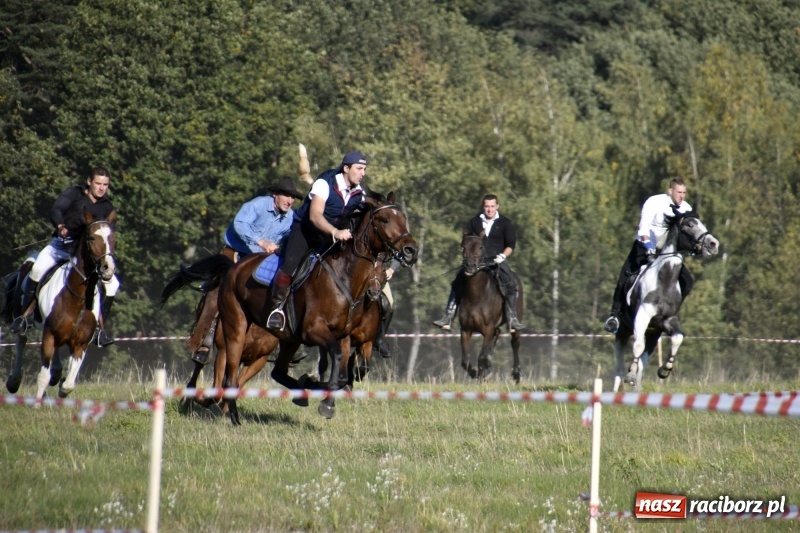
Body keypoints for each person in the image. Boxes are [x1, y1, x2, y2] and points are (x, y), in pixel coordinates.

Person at [189, 176, 303, 364]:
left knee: (280, 289)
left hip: (259, 260)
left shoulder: (290, 218)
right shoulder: (258, 205)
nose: (289, 201)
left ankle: (282, 342)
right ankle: (203, 341)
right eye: (286, 195)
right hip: (235, 252)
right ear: (275, 194)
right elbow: (240, 224)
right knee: (216, 292)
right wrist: (261, 241)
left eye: (292, 197)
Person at [11, 167, 119, 347]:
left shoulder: (106, 207)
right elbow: (56, 209)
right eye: (98, 184)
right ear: (89, 182)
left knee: (113, 284)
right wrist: (60, 225)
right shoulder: (74, 194)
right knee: (37, 270)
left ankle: (100, 331)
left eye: (105, 185)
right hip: (60, 247)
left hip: (83, 255)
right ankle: (24, 317)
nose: (101, 188)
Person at [265, 151, 368, 331]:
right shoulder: (324, 183)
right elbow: (314, 216)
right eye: (359, 168)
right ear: (346, 168)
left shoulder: (360, 193)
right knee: (290, 263)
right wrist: (336, 231)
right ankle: (277, 308)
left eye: (364, 169)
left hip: (327, 238)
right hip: (305, 231)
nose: (363, 173)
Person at [602, 176, 694, 333]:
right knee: (624, 277)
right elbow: (643, 228)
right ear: (670, 191)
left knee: (688, 281)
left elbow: (687, 232)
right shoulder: (654, 202)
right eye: (679, 192)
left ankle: (672, 312)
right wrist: (649, 246)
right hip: (644, 246)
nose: (682, 196)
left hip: (666, 253)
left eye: (684, 192)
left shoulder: (686, 208)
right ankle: (615, 316)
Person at [432, 194, 524, 331]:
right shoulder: (474, 222)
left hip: (497, 260)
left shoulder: (505, 223)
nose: (489, 209)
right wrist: (465, 252)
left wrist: (502, 256)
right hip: (475, 262)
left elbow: (511, 245)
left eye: (492, 206)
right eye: (487, 206)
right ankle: (448, 316)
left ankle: (512, 318)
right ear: (483, 207)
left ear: (497, 206)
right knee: (456, 283)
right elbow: (465, 241)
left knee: (510, 284)